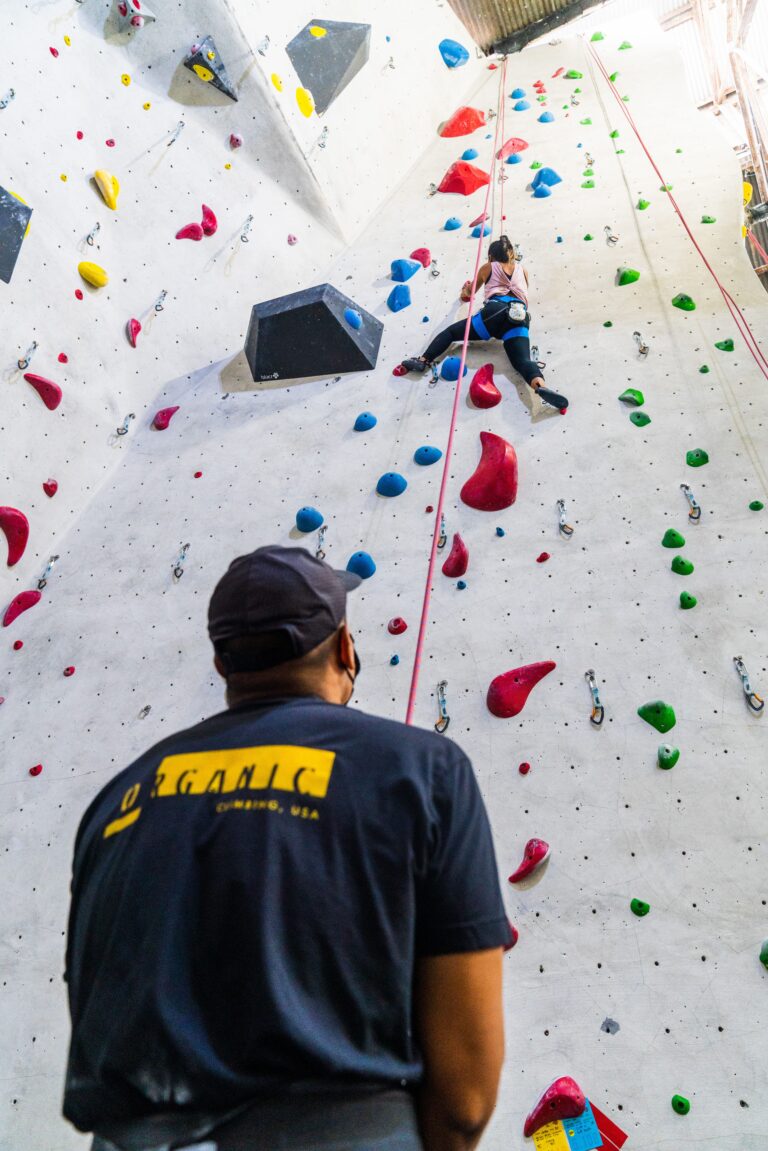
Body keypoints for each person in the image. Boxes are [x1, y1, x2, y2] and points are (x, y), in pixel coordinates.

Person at [63, 545, 516, 1151]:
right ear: (345, 647)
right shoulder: (422, 771)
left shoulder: (119, 798)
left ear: (222, 665)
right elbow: (465, 1099)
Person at [401, 234, 569, 411]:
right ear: (511, 255)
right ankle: (540, 385)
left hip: (494, 312)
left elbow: (469, 293)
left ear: (490, 256)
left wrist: (464, 290)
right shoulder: (523, 271)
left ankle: (423, 361)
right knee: (522, 362)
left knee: (451, 333)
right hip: (519, 317)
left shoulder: (488, 267)